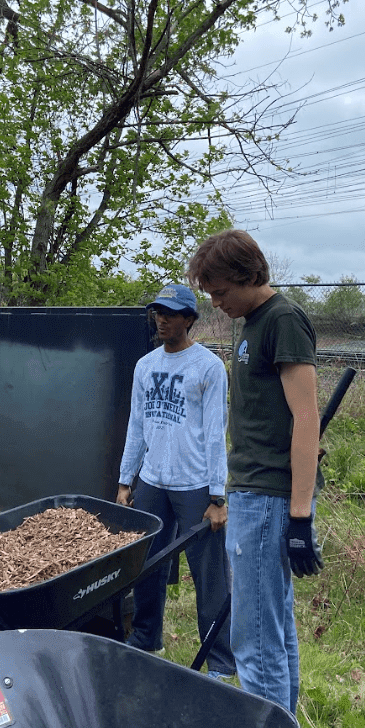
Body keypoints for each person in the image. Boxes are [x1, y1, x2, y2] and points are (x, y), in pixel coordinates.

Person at [186, 229, 322, 714]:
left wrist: (301, 516)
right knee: (273, 628)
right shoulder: (253, 322)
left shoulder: (282, 320)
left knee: (255, 639)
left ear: (249, 275)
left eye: (221, 292)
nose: (216, 303)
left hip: (266, 497)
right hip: (252, 492)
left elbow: (307, 419)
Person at [115, 283, 235, 679]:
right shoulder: (146, 365)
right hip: (152, 481)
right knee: (148, 566)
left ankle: (218, 661)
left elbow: (216, 432)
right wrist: (125, 480)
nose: (161, 319)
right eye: (157, 312)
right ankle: (147, 638)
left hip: (195, 485)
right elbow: (137, 424)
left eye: (170, 313)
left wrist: (218, 494)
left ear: (189, 319)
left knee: (209, 575)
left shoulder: (208, 367)